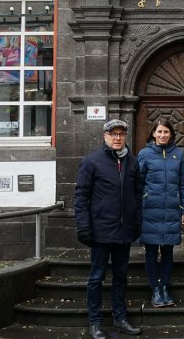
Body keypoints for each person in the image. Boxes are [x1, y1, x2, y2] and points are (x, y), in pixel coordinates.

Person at [74, 119, 144, 339]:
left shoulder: (132, 162)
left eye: (121, 134)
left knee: (121, 276)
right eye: (113, 134)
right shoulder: (92, 162)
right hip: (100, 231)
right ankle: (95, 322)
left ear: (125, 137)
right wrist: (84, 226)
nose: (117, 138)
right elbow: (81, 196)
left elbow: (137, 195)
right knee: (96, 277)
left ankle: (120, 318)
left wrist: (137, 221)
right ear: (105, 136)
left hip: (123, 231)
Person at [137, 118, 184, 308]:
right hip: (150, 209)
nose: (162, 135)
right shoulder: (144, 154)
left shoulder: (179, 154)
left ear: (171, 134)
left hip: (171, 209)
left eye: (166, 132)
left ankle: (165, 286)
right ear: (153, 133)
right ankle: (155, 289)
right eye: (159, 132)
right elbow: (138, 183)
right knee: (151, 250)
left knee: (168, 251)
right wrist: (139, 204)